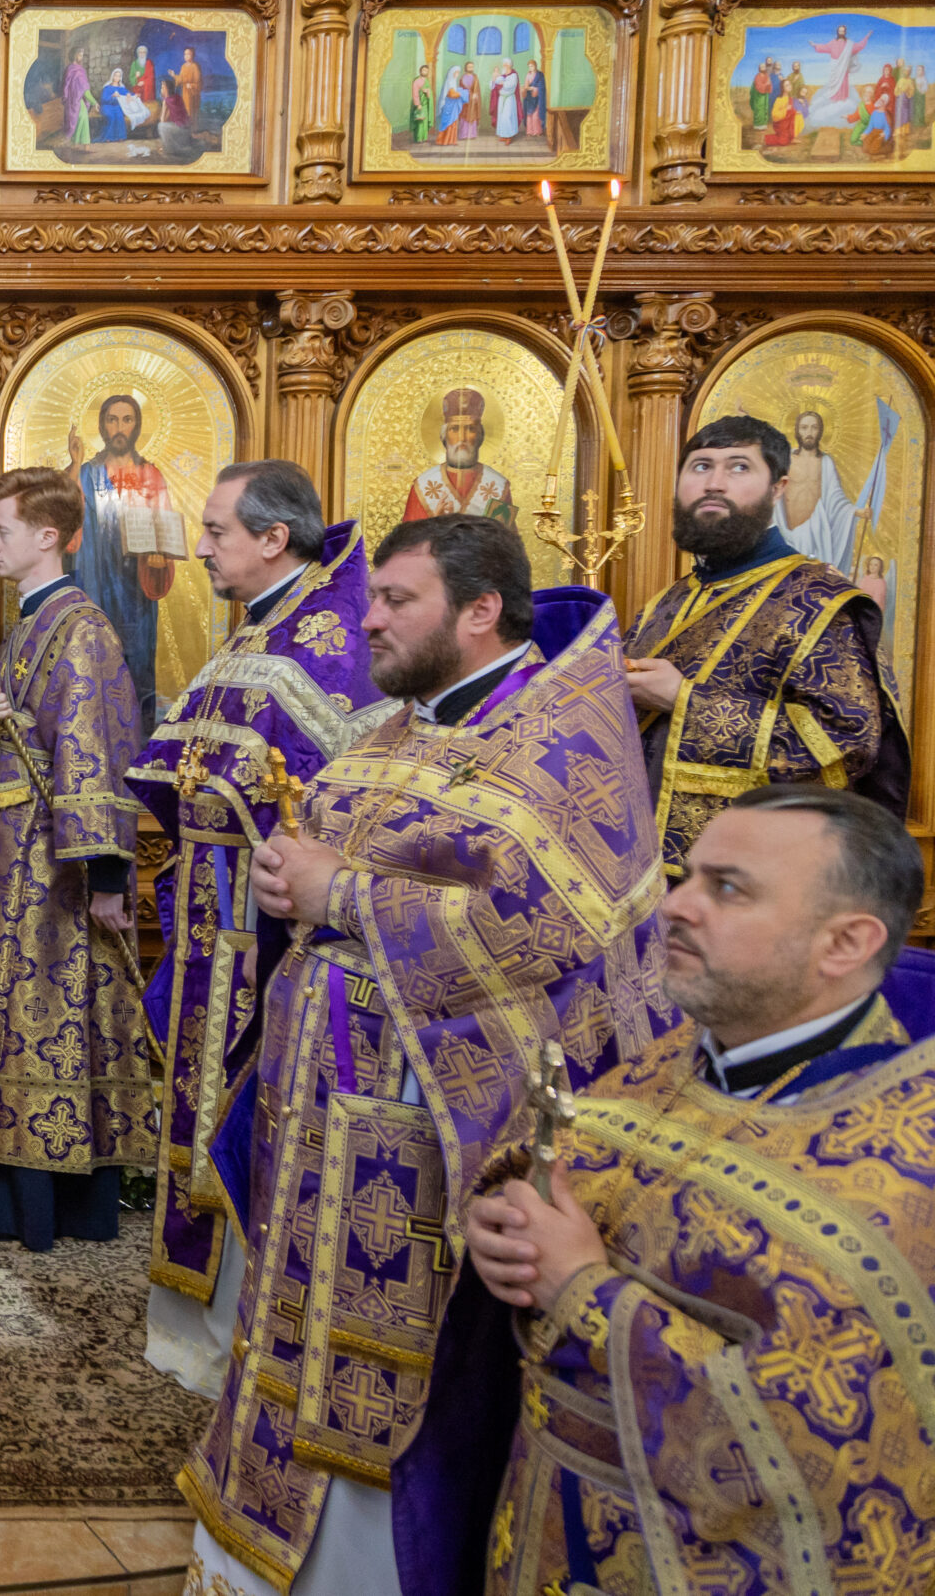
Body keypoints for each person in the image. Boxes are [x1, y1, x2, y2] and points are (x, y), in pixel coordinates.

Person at [182, 515, 684, 1596]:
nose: (366, 618)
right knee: (292, 1335)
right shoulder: (398, 726)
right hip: (325, 1113)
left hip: (432, 1130)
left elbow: (546, 924)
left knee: (393, 1377)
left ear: (480, 610)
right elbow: (334, 855)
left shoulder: (559, 735)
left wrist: (340, 893)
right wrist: (289, 881)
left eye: (395, 600)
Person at [457, 786, 935, 1596]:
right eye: (685, 877)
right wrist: (502, 1219)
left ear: (846, 942)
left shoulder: (905, 1174)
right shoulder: (671, 1061)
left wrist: (582, 1291)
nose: (675, 906)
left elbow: (824, 1452)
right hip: (543, 1523)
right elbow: (571, 1165)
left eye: (729, 888)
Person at [129, 461, 388, 1393]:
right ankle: (199, 1325)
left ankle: (242, 1333)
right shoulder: (260, 627)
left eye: (216, 530)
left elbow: (334, 797)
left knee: (247, 1114)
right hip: (213, 924)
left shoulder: (325, 639)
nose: (200, 548)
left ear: (274, 538)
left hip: (267, 936)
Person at [0, 468, 155, 1249]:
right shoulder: (25, 627)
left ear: (48, 536)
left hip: (50, 873)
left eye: (1, 531)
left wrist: (109, 875)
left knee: (38, 1015)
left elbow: (96, 750)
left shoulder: (82, 630)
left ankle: (35, 1202)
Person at [623, 414, 907, 880]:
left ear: (778, 488)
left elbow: (845, 746)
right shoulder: (666, 603)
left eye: (739, 467)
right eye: (700, 466)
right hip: (640, 865)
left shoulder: (818, 600)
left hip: (752, 872)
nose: (714, 483)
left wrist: (685, 700)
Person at [65, 390, 181, 741]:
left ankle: (137, 741)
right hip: (94, 580)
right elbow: (67, 516)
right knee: (93, 657)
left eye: (127, 419)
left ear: (137, 425)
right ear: (102, 426)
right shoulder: (87, 473)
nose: (119, 427)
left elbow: (165, 530)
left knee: (137, 663)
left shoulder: (150, 475)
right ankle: (90, 737)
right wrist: (74, 464)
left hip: (136, 590)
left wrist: (161, 556)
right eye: (112, 419)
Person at [400, 386, 515, 520]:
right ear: (444, 436)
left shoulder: (499, 485)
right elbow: (410, 533)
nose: (462, 438)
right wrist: (436, 523)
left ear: (480, 436)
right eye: (454, 429)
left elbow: (505, 534)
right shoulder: (423, 486)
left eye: (470, 429)